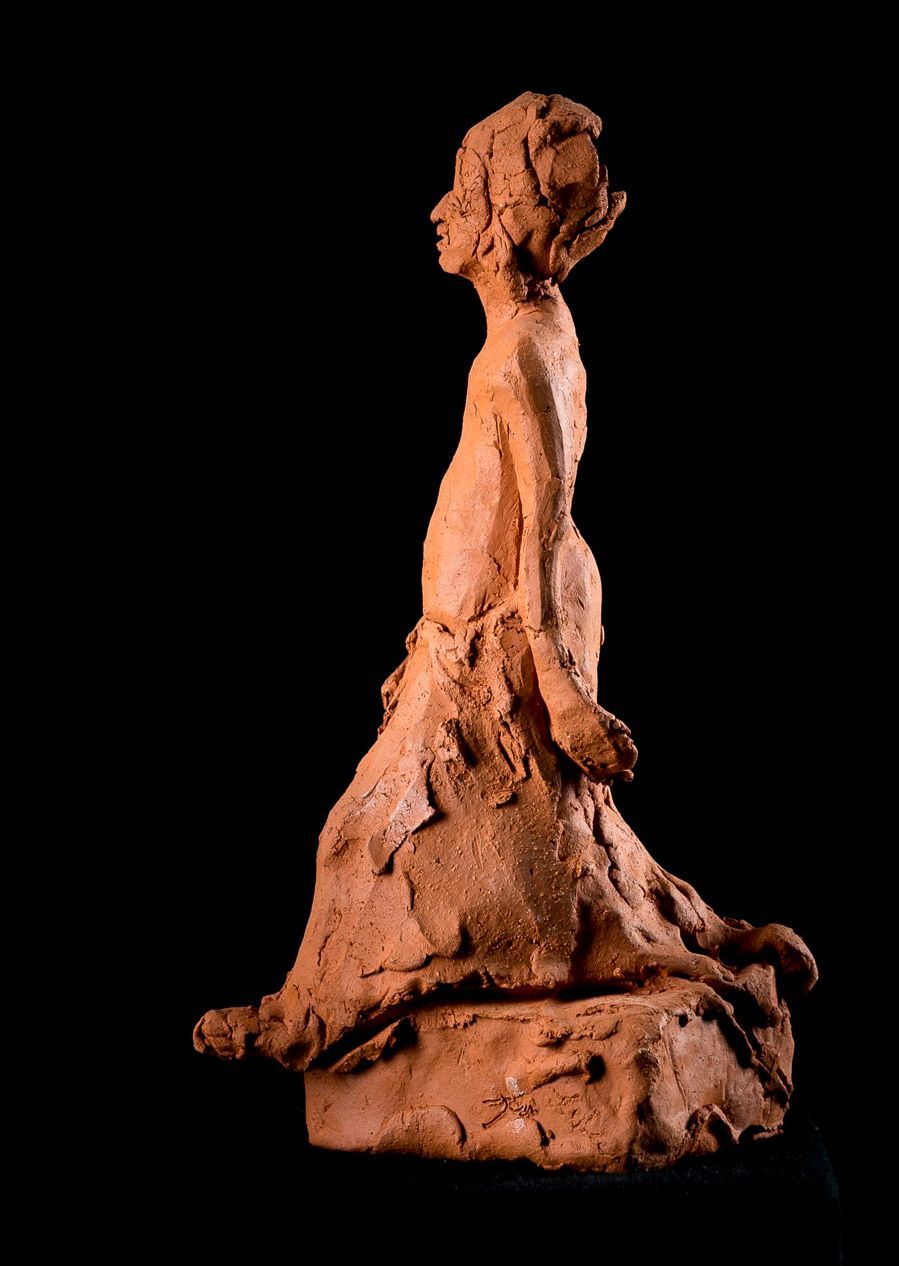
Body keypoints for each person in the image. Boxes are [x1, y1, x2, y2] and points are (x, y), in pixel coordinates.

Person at [195, 92, 815, 1080]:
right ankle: (676, 937)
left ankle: (313, 1019)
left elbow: (543, 518)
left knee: (378, 840)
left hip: (499, 638)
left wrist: (557, 685)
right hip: (481, 634)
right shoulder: (536, 328)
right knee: (532, 836)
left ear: (494, 222)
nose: (439, 214)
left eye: (462, 193)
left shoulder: (517, 351)